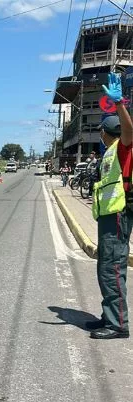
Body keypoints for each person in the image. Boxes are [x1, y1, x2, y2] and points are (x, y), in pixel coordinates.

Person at [86, 72, 133, 339]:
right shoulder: (111, 151)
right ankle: (109, 316)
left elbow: (129, 130)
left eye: (101, 131)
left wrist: (119, 104)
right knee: (106, 267)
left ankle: (117, 324)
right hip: (109, 217)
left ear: (106, 132)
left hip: (118, 216)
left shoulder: (123, 147)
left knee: (112, 268)